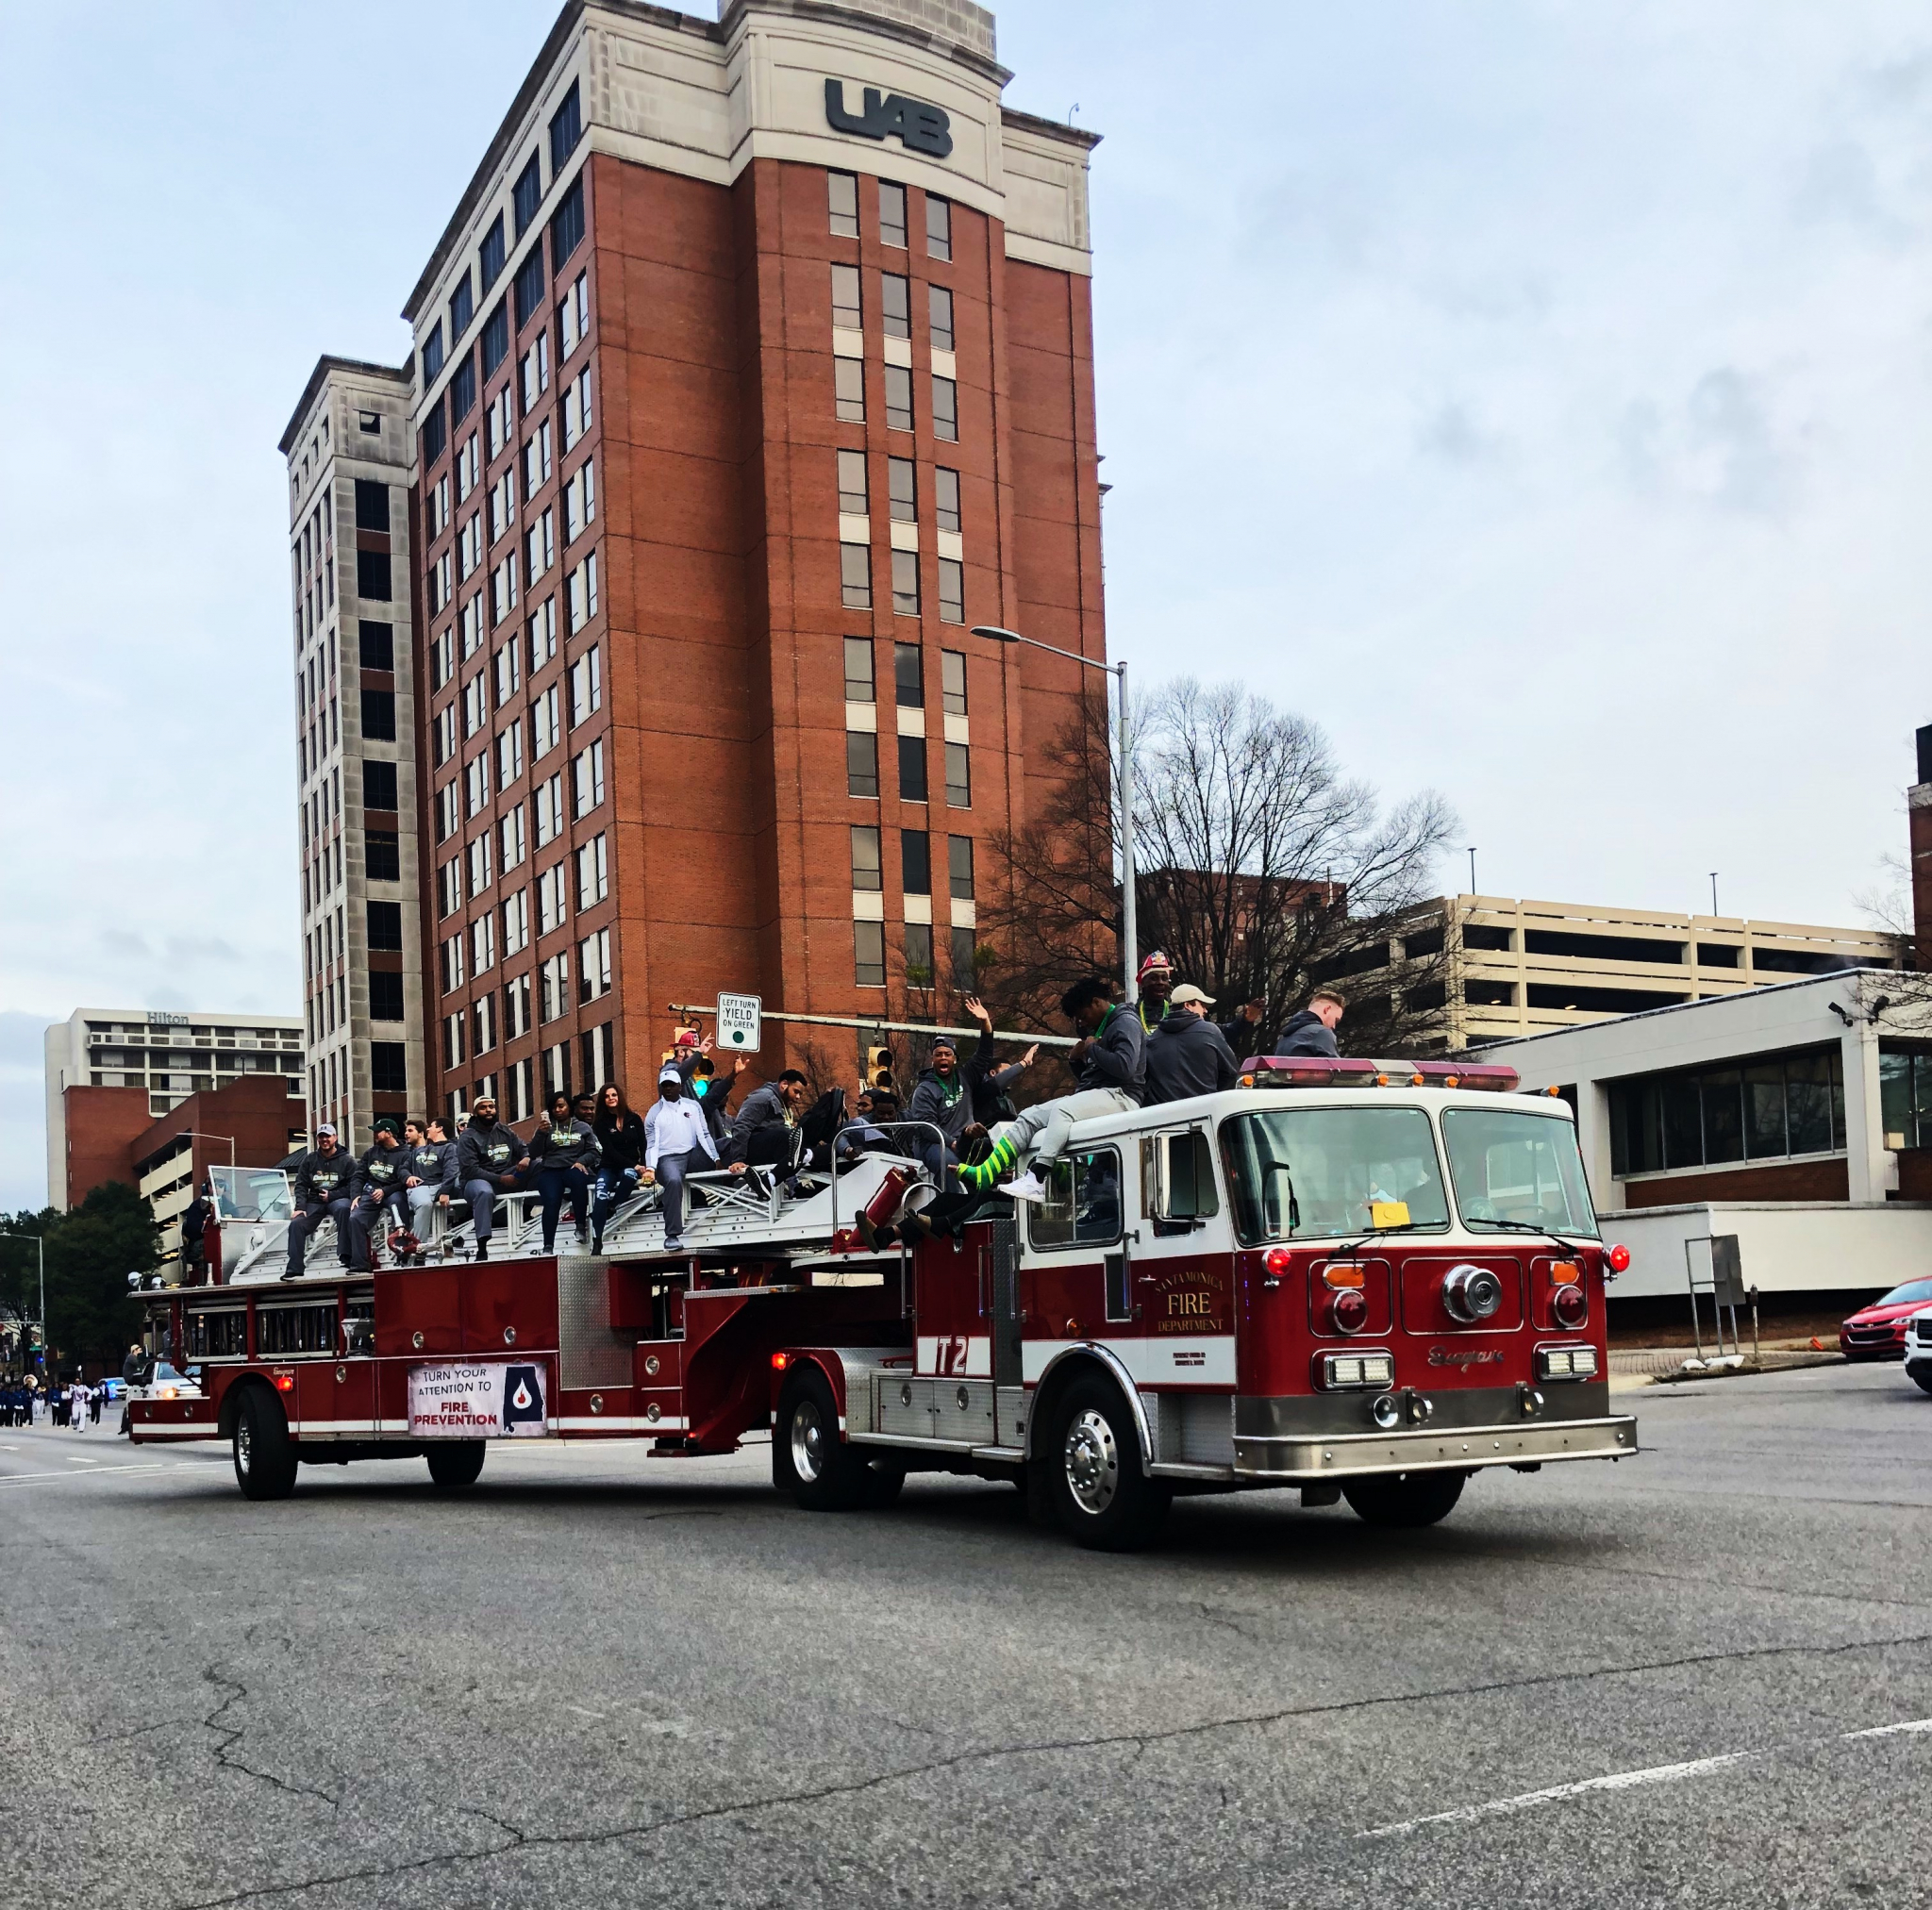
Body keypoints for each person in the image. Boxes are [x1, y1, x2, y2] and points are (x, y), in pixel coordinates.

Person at [959, 976, 1146, 1203]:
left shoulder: (1125, 1022)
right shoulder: (1104, 1026)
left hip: (1122, 1096)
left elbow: (1125, 1068)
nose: (1084, 1024)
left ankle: (1037, 1178)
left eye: (1084, 1016)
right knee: (1030, 1115)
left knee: (1064, 1110)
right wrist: (1076, 1061)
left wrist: (1091, 1049)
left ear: (1096, 1002)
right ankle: (986, 1172)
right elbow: (1093, 1079)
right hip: (1102, 1093)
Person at [642, 1063, 741, 1252]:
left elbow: (704, 1135)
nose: (668, 1088)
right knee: (672, 1179)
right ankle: (671, 1235)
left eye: (672, 1085)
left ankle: (740, 1192)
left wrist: (716, 1159)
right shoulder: (654, 1114)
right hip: (667, 1158)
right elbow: (652, 1145)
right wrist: (650, 1168)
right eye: (665, 1085)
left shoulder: (693, 1106)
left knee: (727, 1145)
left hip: (693, 1154)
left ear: (680, 1086)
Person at [454, 1096, 527, 1260]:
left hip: (505, 1175)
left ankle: (531, 1212)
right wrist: (501, 1180)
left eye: (491, 1107)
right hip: (475, 1181)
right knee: (484, 1192)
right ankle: (482, 1246)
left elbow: (522, 1147)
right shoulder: (467, 1136)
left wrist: (527, 1157)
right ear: (475, 1113)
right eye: (483, 1107)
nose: (488, 1110)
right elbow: (471, 1170)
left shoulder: (504, 1130)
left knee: (537, 1165)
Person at [527, 1090, 601, 1253]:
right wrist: (540, 1134)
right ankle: (548, 1245)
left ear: (569, 1107)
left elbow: (594, 1151)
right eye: (554, 1107)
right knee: (551, 1201)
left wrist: (582, 1162)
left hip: (574, 1166)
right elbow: (532, 1153)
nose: (557, 1110)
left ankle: (580, 1226)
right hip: (550, 1170)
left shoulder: (583, 1127)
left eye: (561, 1106)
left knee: (579, 1180)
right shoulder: (545, 1128)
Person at [1145, 983, 1241, 1104]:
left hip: (1164, 1117)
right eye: (1202, 1005)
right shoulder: (1209, 1031)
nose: (1205, 1010)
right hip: (1205, 1112)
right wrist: (1215, 1098)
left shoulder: (1152, 1039)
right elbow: (1231, 1072)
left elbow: (1146, 1082)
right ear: (1188, 1005)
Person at [283, 1124, 355, 1280]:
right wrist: (300, 1206)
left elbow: (354, 1186)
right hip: (315, 1201)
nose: (324, 1140)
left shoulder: (347, 1160)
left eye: (327, 1136)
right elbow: (301, 1184)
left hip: (337, 1199)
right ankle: (295, 1268)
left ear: (335, 1138)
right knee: (296, 1224)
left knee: (344, 1209)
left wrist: (332, 1195)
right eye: (321, 1137)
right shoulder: (309, 1160)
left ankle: (345, 1256)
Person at [960, 994, 1038, 1139]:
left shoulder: (1007, 1102)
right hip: (984, 1143)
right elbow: (998, 1081)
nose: (1010, 1076)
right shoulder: (981, 1092)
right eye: (1006, 1071)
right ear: (992, 1073)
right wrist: (1024, 1063)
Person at [906, 1035, 974, 1184]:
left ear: (954, 1059)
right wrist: (952, 1143)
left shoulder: (964, 1078)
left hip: (962, 1140)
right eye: (938, 1054)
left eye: (947, 1054)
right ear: (933, 1060)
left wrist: (985, 1024)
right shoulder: (924, 1090)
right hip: (932, 1143)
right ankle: (952, 1203)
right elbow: (927, 1127)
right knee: (949, 1163)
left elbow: (984, 1056)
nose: (943, 1058)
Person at [591, 1083, 648, 1253]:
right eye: (607, 1096)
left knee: (629, 1175)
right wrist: (635, 1165)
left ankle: (613, 1207)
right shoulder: (600, 1123)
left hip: (630, 1167)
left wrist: (645, 1166)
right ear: (603, 1100)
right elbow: (609, 1150)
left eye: (614, 1095)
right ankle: (597, 1240)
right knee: (600, 1195)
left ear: (619, 1097)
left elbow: (643, 1145)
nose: (611, 1099)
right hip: (609, 1166)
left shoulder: (634, 1119)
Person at [346, 1121, 407, 1271]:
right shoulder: (371, 1152)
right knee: (355, 1218)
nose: (374, 1134)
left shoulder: (406, 1153)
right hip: (371, 1193)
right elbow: (358, 1176)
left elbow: (404, 1181)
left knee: (398, 1204)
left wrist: (385, 1191)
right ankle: (360, 1264)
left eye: (378, 1131)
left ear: (389, 1133)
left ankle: (402, 1253)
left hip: (393, 1192)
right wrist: (355, 1195)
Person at [726, 1069, 811, 1175]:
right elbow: (742, 1126)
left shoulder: (783, 1105)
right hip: (750, 1150)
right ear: (784, 1084)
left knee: (795, 1137)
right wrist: (738, 1160)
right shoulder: (763, 1097)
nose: (798, 1097)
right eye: (796, 1091)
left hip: (767, 1150)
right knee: (783, 1135)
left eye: (800, 1094)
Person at [399, 1117, 457, 1257]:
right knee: (424, 1203)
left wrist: (445, 1191)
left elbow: (451, 1169)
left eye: (431, 1126)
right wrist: (408, 1176)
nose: (428, 1129)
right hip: (421, 1187)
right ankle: (417, 1247)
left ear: (439, 1128)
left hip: (440, 1185)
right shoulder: (418, 1151)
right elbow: (402, 1169)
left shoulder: (450, 1148)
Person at [1274, 987, 1346, 1058]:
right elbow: (1335, 1066)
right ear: (1327, 1009)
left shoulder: (1285, 1036)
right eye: (1335, 1020)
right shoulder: (1321, 1032)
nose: (1334, 1026)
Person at [179, 1184, 213, 1286]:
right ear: (206, 1187)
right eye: (214, 1185)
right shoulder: (196, 1206)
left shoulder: (228, 1205)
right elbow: (193, 1228)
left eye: (221, 1185)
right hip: (200, 1241)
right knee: (210, 1246)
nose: (218, 1188)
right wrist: (206, 1224)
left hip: (225, 1240)